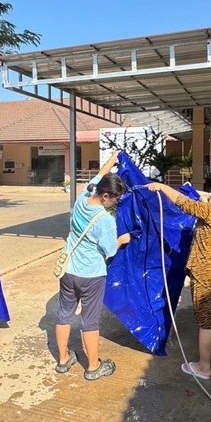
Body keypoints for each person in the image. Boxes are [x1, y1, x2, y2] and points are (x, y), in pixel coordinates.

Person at [146, 180, 211, 379]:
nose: (209, 198)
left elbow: (182, 203)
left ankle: (204, 367)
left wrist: (162, 186)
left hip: (205, 279)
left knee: (206, 324)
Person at [55, 150, 131, 381]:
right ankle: (93, 367)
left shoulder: (82, 197)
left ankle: (63, 360)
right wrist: (122, 239)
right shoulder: (105, 220)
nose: (116, 203)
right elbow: (109, 250)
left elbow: (100, 174)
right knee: (90, 320)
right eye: (116, 199)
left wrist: (113, 158)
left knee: (64, 315)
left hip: (69, 271)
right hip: (91, 275)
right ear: (106, 196)